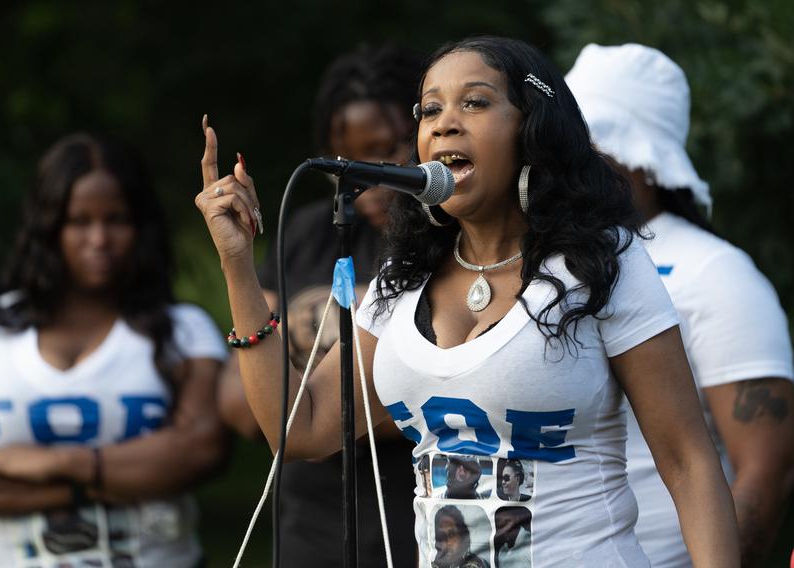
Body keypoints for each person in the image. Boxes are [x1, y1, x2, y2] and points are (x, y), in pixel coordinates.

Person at [195, 35, 741, 566]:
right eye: (429, 110)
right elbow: (301, 428)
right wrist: (237, 264)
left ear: (533, 130)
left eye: (475, 102)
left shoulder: (601, 263)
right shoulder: (403, 278)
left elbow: (688, 461)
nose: (444, 122)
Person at [0, 133, 228, 567]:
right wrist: (109, 479)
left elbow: (201, 450)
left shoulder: (185, 331)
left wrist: (58, 462)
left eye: (116, 218)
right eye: (78, 221)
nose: (98, 239)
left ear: (140, 226)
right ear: (47, 227)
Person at [566, 43, 794, 567]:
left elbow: (767, 470)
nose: (570, 162)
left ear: (643, 159)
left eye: (593, 143)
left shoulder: (716, 273)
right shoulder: (550, 264)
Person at [216, 45, 421, 566]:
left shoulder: (444, 243)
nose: (366, 178)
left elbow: (462, 393)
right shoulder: (306, 235)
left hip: (413, 528)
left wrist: (310, 396)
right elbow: (242, 405)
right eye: (347, 162)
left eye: (387, 151)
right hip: (311, 529)